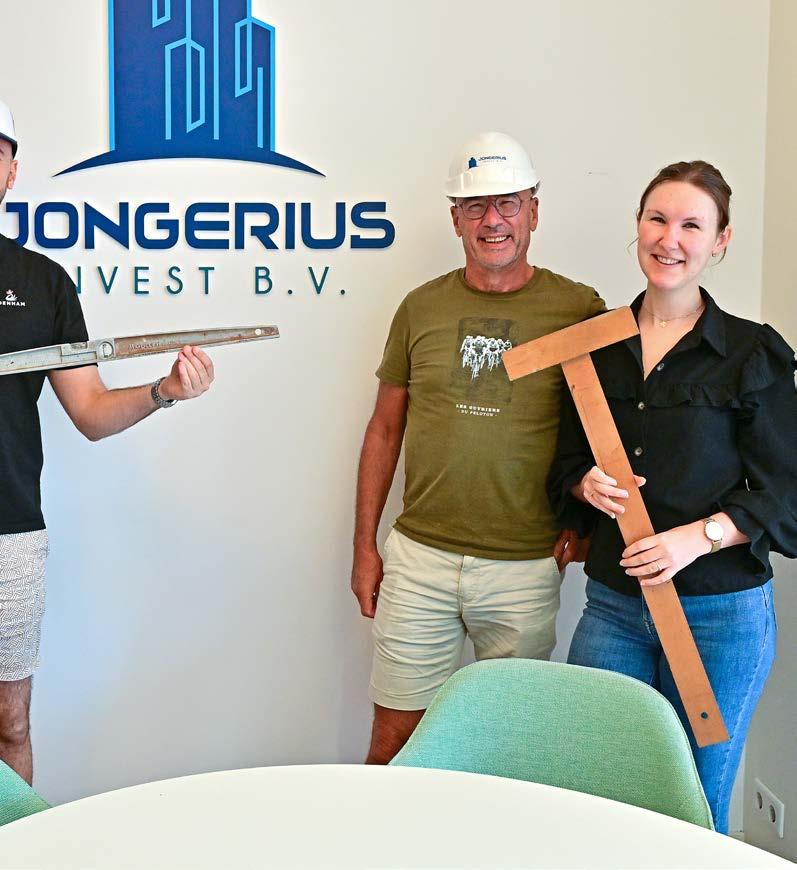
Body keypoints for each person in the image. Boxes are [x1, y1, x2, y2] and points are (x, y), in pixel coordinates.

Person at [547, 160, 797, 833]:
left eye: (692, 225)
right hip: (614, 609)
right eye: (657, 219)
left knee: (690, 803)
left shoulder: (751, 352)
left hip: (719, 617)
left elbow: (787, 492)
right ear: (637, 225)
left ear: (720, 240)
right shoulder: (595, 347)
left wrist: (698, 537)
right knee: (596, 793)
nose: (670, 238)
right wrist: (583, 482)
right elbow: (565, 459)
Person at [351, 131, 605, 764]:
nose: (493, 220)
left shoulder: (578, 309)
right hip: (420, 560)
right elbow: (384, 429)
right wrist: (364, 546)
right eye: (475, 206)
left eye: (508, 203)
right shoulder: (420, 308)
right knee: (396, 744)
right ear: (456, 218)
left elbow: (604, 428)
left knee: (509, 752)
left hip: (523, 566)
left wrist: (584, 524)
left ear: (533, 211)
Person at [0, 98, 215, 783]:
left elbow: (90, 411)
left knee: (9, 723)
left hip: (9, 535)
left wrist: (163, 390)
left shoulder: (41, 283)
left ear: (11, 171)